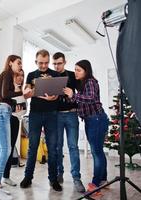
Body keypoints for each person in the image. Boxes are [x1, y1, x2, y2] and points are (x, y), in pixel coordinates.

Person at [64, 59, 109, 197]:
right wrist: (69, 96)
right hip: (92, 120)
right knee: (99, 151)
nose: (76, 72)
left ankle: (95, 184)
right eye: (75, 69)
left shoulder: (90, 82)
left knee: (96, 152)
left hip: (97, 119)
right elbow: (79, 101)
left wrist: (74, 95)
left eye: (78, 70)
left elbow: (90, 98)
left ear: (86, 71)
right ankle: (102, 180)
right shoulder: (82, 84)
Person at [20, 49, 62, 192]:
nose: (44, 65)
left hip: (52, 114)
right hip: (35, 114)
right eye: (41, 63)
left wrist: (53, 97)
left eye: (46, 63)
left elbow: (58, 95)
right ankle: (27, 177)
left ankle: (53, 179)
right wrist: (35, 92)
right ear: (35, 61)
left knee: (53, 148)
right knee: (32, 148)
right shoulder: (31, 75)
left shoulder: (55, 74)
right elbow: (26, 95)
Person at [0, 55, 23, 200]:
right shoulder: (8, 73)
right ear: (10, 63)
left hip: (1, 110)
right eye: (18, 63)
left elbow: (5, 96)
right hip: (2, 111)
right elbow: (5, 94)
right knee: (6, 150)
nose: (20, 66)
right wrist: (23, 93)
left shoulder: (4, 75)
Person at [52, 52, 85, 193]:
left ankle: (76, 178)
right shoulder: (51, 76)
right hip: (56, 116)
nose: (56, 66)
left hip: (72, 115)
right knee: (58, 147)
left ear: (65, 62)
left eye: (59, 63)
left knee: (73, 147)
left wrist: (73, 93)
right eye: (54, 64)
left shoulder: (73, 75)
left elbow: (82, 93)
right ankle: (59, 173)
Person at [3, 69, 27, 186]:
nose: (20, 78)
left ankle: (6, 176)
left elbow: (24, 110)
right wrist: (14, 110)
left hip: (16, 120)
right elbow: (6, 105)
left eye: (22, 76)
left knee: (11, 148)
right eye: (18, 75)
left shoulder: (20, 91)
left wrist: (18, 111)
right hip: (8, 119)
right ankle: (0, 177)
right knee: (5, 149)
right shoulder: (9, 91)